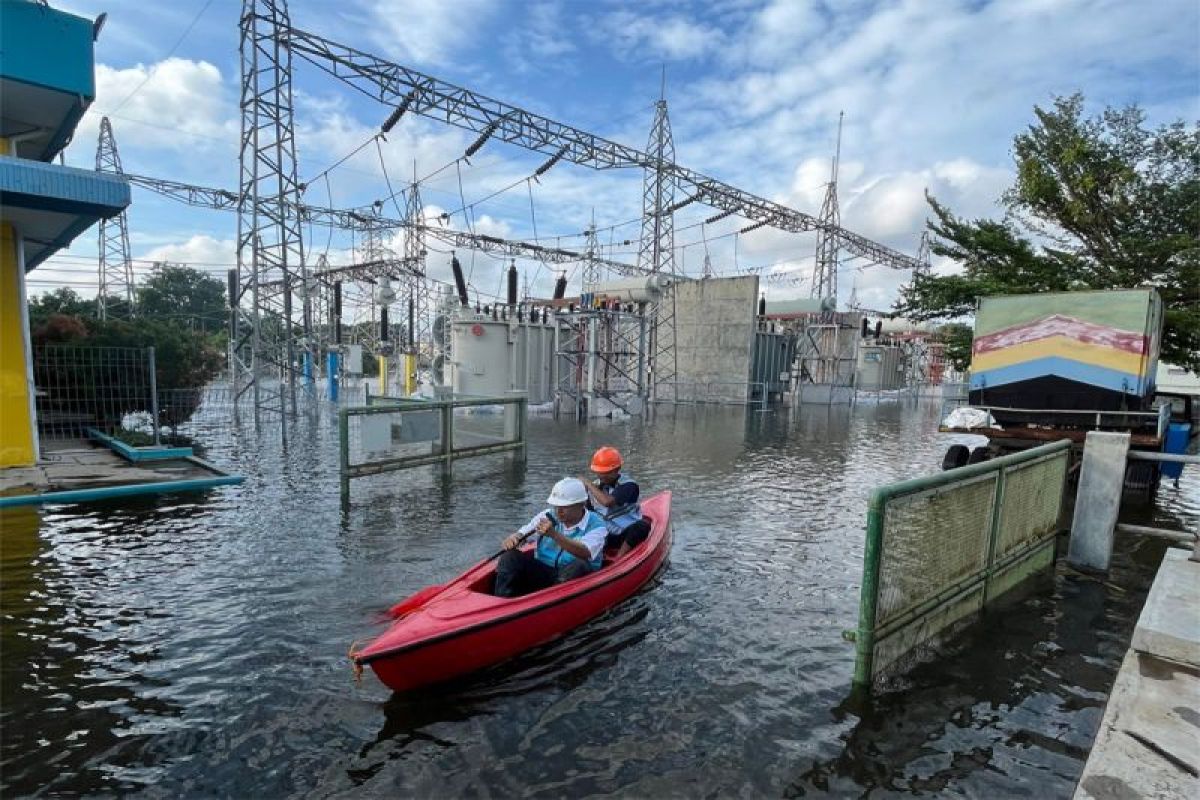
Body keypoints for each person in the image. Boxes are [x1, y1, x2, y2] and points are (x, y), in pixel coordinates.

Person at [494, 478, 607, 598]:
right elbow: (525, 532)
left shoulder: (597, 525)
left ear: (582, 504)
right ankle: (502, 599)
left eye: (564, 507)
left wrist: (554, 535)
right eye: (556, 506)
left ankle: (552, 600)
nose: (559, 511)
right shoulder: (548, 515)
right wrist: (516, 537)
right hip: (544, 569)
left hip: (574, 575)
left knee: (579, 564)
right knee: (510, 557)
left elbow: (585, 552)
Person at [581, 446, 650, 558]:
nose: (601, 476)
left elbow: (608, 502)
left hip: (626, 533)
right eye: (599, 472)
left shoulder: (629, 485)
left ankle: (619, 557)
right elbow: (588, 512)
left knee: (642, 526)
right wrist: (584, 495)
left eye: (605, 473)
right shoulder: (596, 486)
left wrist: (588, 484)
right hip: (605, 534)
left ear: (616, 470)